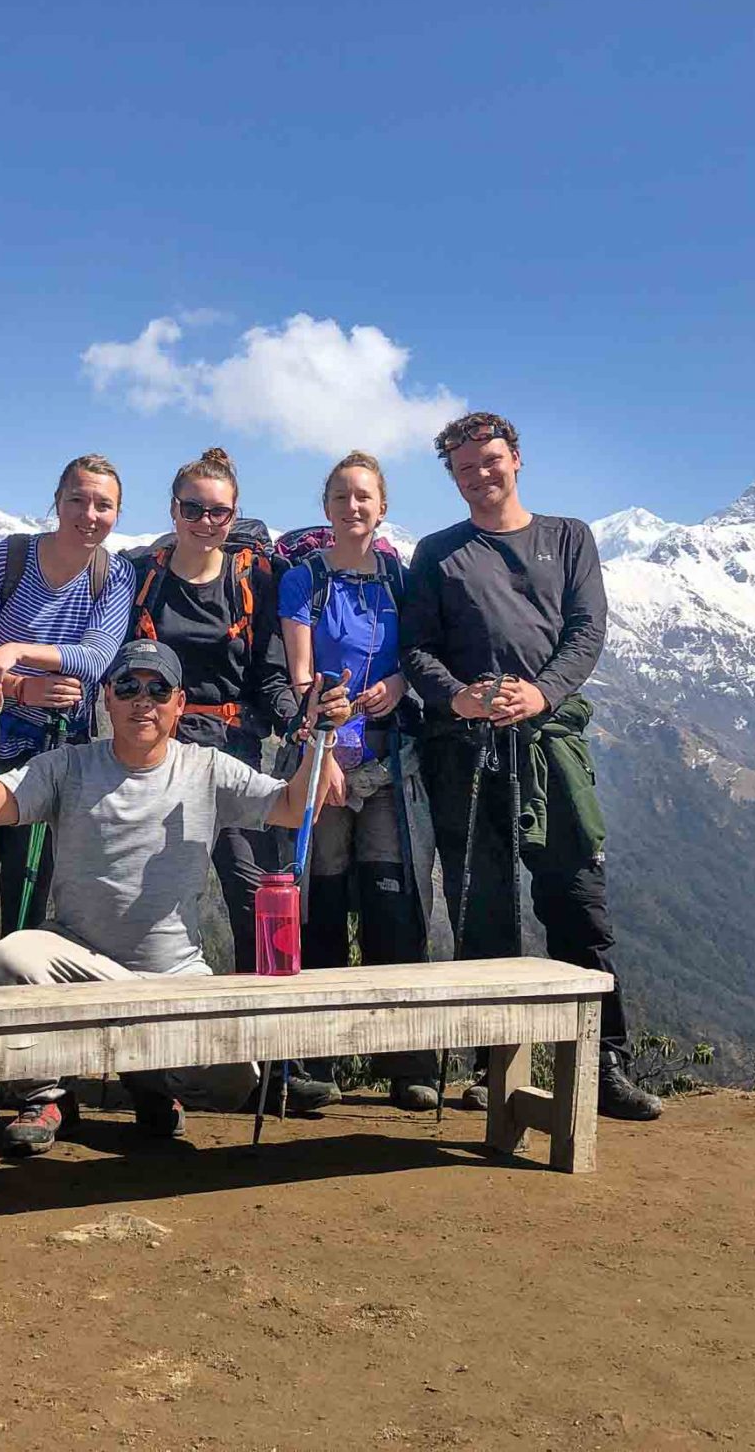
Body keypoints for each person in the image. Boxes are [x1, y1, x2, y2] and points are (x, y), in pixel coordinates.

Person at [0, 639, 345, 1155]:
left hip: (172, 977)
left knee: (235, 1077)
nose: (144, 700)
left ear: (180, 705)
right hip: (78, 963)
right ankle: (45, 1094)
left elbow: (294, 808)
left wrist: (321, 739)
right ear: (107, 700)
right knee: (7, 959)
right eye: (128, 687)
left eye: (159, 690)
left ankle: (148, 1079)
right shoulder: (68, 766)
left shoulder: (206, 768)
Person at [398, 411, 663, 1121]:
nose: (480, 477)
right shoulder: (437, 554)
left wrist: (540, 692)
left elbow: (587, 628)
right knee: (483, 913)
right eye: (464, 468)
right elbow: (416, 649)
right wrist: (460, 699)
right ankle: (493, 1069)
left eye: (491, 461)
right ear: (452, 477)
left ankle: (603, 1066)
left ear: (517, 459)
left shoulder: (569, 537)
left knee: (577, 904)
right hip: (466, 753)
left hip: (552, 748)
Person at [0, 454, 136, 989]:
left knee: (28, 902)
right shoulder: (5, 559)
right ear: (57, 502)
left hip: (57, 755)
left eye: (103, 504)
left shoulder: (114, 574)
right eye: (78, 499)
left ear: (117, 512)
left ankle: (18, 1051)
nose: (89, 513)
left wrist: (16, 650)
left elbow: (99, 656)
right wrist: (21, 687)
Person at [278, 451, 439, 1111]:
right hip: (326, 758)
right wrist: (327, 741)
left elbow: (418, 661)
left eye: (364, 496)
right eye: (342, 496)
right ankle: (316, 1060)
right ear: (327, 506)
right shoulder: (303, 580)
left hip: (392, 757)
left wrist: (397, 683)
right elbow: (299, 672)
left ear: (382, 506)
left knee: (392, 901)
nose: (353, 507)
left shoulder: (403, 580)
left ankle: (408, 1065)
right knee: (321, 900)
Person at [124, 447, 298, 973]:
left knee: (252, 890)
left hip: (231, 751)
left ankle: (260, 1024)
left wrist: (300, 722)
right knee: (142, 895)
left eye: (218, 512)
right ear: (173, 510)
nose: (205, 521)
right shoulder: (139, 577)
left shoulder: (256, 579)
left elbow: (271, 672)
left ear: (234, 514)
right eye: (192, 509)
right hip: (152, 750)